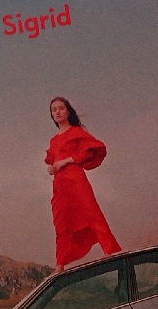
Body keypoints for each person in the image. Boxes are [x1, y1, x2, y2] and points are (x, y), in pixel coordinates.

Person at [45, 97, 122, 272]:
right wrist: (51, 168)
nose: (57, 112)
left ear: (68, 111)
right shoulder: (53, 140)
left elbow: (94, 149)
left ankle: (109, 249)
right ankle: (60, 264)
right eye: (54, 110)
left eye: (61, 108)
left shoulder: (76, 132)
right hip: (59, 185)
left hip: (76, 179)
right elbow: (52, 160)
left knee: (91, 211)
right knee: (61, 220)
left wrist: (68, 160)